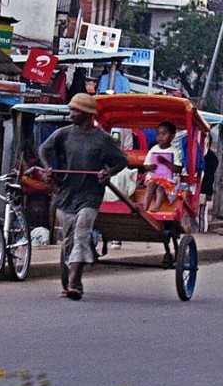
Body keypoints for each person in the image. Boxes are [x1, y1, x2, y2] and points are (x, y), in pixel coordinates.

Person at [38, 93, 128, 300]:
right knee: (69, 239)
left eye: (75, 111)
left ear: (87, 114)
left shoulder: (103, 139)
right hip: (67, 193)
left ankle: (73, 283)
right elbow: (44, 149)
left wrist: (109, 173)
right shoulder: (64, 134)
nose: (71, 114)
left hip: (91, 194)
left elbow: (122, 161)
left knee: (81, 233)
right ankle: (72, 281)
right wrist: (48, 168)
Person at [143, 121, 183, 212]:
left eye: (164, 134)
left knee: (161, 188)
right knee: (151, 185)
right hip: (155, 177)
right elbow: (146, 165)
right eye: (158, 134)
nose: (160, 137)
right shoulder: (153, 149)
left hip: (169, 180)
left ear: (172, 136)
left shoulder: (175, 151)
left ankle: (157, 207)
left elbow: (178, 169)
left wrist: (165, 162)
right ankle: (145, 207)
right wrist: (151, 167)